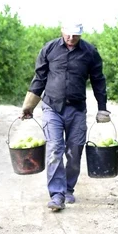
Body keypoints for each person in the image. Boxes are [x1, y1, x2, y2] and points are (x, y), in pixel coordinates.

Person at [20, 21, 111, 211]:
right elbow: (39, 78)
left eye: (75, 35)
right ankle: (57, 194)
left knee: (74, 151)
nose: (71, 38)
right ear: (62, 30)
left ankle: (68, 188)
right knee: (54, 149)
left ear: (81, 33)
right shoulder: (49, 49)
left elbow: (98, 81)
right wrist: (29, 106)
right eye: (68, 34)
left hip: (77, 109)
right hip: (52, 107)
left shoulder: (90, 52)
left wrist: (102, 108)